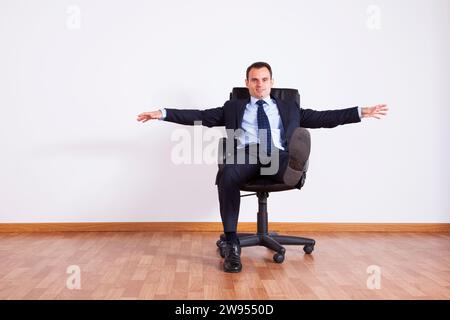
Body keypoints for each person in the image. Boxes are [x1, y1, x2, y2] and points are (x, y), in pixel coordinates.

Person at [137, 62, 388, 273]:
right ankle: (233, 244)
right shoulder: (233, 107)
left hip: (277, 155)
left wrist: (360, 112)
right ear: (247, 83)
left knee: (284, 157)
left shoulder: (290, 108)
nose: (260, 84)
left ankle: (295, 165)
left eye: (264, 79)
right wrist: (163, 113)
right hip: (247, 154)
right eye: (254, 80)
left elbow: (325, 118)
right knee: (227, 173)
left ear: (272, 82)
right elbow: (200, 115)